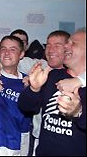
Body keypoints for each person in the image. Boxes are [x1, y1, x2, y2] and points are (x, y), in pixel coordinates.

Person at [18, 28, 86, 156]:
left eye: (73, 43)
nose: (66, 46)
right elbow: (25, 107)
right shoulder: (52, 76)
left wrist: (78, 112)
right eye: (66, 43)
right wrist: (34, 88)